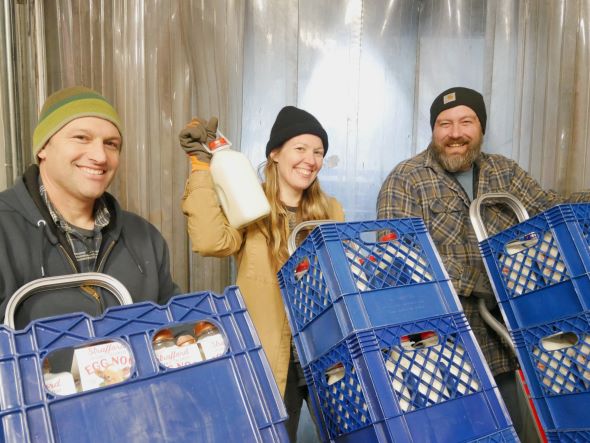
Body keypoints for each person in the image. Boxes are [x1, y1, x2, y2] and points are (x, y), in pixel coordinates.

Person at [376, 86, 589, 441]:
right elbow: (398, 260)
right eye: (444, 123)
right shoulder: (406, 179)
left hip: (504, 347)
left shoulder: (504, 172)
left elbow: (550, 208)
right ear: (433, 130)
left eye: (466, 122)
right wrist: (480, 281)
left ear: (481, 128)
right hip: (442, 356)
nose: (455, 133)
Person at [180, 106, 344, 441]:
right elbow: (212, 242)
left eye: (318, 152)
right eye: (300, 149)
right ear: (275, 154)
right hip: (271, 358)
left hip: (325, 353)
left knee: (347, 434)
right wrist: (201, 169)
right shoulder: (251, 203)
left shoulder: (331, 210)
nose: (310, 160)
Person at [0, 86, 180, 329]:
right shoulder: (4, 228)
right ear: (43, 147)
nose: (100, 156)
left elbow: (174, 327)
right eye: (81, 138)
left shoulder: (145, 237)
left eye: (111, 144)